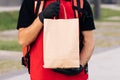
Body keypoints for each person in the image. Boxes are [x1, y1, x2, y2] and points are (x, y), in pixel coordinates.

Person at [17, 0, 95, 80]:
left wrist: (80, 65)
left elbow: (89, 42)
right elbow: (23, 40)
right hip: (42, 76)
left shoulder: (80, 3)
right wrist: (41, 18)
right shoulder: (32, 3)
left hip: (74, 76)